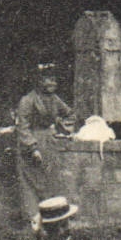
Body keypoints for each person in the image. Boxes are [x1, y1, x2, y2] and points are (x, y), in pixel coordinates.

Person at [14, 65, 75, 226]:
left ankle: (52, 217)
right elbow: (23, 127)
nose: (52, 83)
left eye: (54, 79)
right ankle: (32, 219)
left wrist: (64, 127)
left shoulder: (54, 99)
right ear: (39, 81)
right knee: (31, 182)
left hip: (48, 143)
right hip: (31, 144)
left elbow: (70, 113)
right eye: (48, 79)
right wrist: (32, 147)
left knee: (49, 180)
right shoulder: (27, 100)